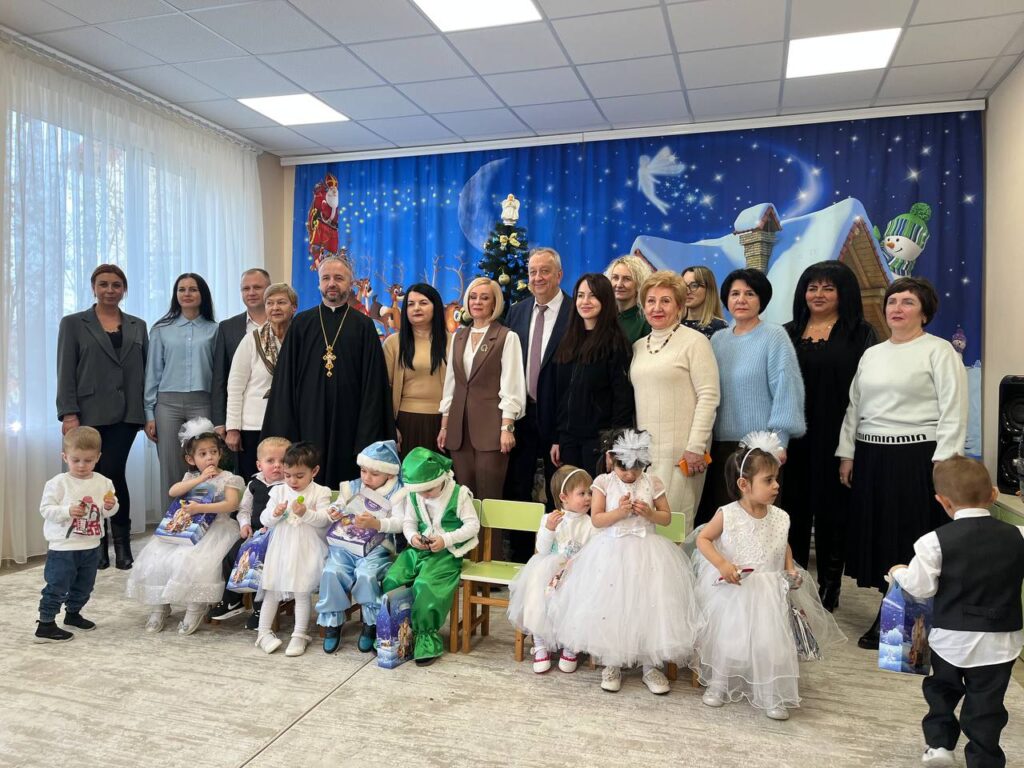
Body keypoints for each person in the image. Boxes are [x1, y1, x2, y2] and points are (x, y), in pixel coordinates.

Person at [838, 276, 968, 649]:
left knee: (909, 536)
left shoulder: (939, 351)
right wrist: (847, 453)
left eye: (908, 302)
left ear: (924, 312)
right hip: (872, 457)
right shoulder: (872, 354)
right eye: (892, 301)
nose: (897, 308)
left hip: (918, 459)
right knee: (880, 536)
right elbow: (855, 407)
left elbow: (954, 409)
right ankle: (890, 608)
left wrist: (944, 462)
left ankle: (902, 624)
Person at [695, 434, 844, 722]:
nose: (776, 485)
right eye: (768, 480)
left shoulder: (781, 517)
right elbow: (703, 539)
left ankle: (771, 692)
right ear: (744, 484)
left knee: (771, 643)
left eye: (777, 479)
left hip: (770, 588)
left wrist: (790, 568)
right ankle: (719, 683)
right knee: (730, 638)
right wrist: (722, 564)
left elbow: (782, 543)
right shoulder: (728, 514)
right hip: (737, 588)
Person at [890, 457, 1024, 768]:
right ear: (993, 494)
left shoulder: (932, 542)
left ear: (943, 501)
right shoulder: (1018, 535)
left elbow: (921, 588)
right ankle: (984, 760)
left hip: (950, 637)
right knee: (987, 705)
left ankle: (939, 745)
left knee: (942, 690)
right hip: (1001, 640)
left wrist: (898, 572)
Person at [547, 429, 703, 696]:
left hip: (648, 553)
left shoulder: (652, 482)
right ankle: (612, 663)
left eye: (637, 468)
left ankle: (650, 666)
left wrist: (650, 513)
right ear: (611, 459)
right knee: (613, 607)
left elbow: (666, 517)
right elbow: (597, 519)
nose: (630, 475)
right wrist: (619, 512)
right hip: (611, 553)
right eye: (624, 468)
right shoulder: (603, 482)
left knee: (649, 606)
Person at [783, 261, 877, 611]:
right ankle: (791, 581)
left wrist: (851, 447)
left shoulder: (860, 334)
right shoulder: (787, 333)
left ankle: (829, 586)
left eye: (828, 288)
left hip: (838, 437)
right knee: (791, 510)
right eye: (812, 288)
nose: (818, 295)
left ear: (843, 293)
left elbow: (865, 393)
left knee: (833, 513)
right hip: (793, 437)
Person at [262, 256, 394, 487]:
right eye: (326, 278)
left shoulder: (364, 326)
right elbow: (285, 381)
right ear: (319, 284)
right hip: (308, 418)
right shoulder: (301, 324)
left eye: (338, 278)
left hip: (350, 420)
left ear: (350, 283)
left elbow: (374, 384)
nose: (332, 283)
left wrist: (368, 431)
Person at [695, 268, 805, 528]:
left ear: (761, 299)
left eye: (749, 293)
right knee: (724, 524)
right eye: (735, 294)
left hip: (761, 449)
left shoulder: (774, 336)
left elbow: (787, 389)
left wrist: (780, 442)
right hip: (720, 448)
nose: (741, 300)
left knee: (759, 523)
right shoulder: (717, 340)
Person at [56, 264, 147, 570]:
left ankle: (122, 545)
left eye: (116, 285)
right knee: (89, 475)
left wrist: (147, 411)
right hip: (87, 413)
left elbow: (145, 371)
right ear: (93, 288)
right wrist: (68, 413)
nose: (110, 290)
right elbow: (65, 370)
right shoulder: (73, 323)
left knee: (113, 473)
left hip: (127, 414)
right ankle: (96, 543)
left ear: (124, 289)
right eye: (104, 284)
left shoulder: (138, 325)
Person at [126, 419, 244, 636]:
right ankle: (160, 606)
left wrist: (201, 508)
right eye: (202, 454)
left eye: (213, 452)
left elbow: (232, 504)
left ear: (220, 454)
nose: (209, 457)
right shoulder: (191, 477)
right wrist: (200, 479)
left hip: (216, 528)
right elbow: (173, 491)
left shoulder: (229, 478)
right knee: (158, 558)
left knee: (193, 561)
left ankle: (195, 607)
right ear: (191, 459)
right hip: (186, 527)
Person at [631, 271, 720, 532]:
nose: (657, 308)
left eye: (666, 301)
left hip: (683, 454)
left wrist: (696, 447)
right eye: (651, 301)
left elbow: (709, 396)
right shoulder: (638, 346)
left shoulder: (695, 342)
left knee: (675, 529)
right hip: (647, 454)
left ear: (680, 306)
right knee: (645, 529)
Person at [382, 448, 480, 666]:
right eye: (420, 491)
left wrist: (446, 539)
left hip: (447, 553)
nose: (424, 495)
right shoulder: (416, 495)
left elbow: (473, 526)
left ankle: (426, 639)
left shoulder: (459, 494)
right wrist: (412, 537)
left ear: (441, 478)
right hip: (419, 550)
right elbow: (409, 522)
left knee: (425, 585)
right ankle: (396, 632)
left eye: (429, 490)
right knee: (393, 578)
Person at [505, 248, 573, 559]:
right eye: (532, 272)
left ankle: (558, 557)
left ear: (559, 275)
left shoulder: (575, 313)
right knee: (518, 486)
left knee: (559, 489)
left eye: (545, 271)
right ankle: (521, 557)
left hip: (560, 417)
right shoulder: (517, 312)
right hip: (522, 415)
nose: (537, 277)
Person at [438, 277, 525, 502]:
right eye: (473, 297)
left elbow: (512, 386)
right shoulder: (458, 337)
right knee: (464, 498)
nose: (477, 302)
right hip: (459, 430)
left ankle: (490, 530)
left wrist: (507, 428)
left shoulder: (507, 337)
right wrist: (444, 426)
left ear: (495, 303)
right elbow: (451, 385)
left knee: (489, 497)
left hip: (491, 431)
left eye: (484, 298)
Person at [317, 440, 406, 655]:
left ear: (389, 474)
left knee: (367, 575)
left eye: (374, 473)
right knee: (332, 571)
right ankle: (333, 622)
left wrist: (377, 523)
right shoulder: (354, 486)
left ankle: (370, 623)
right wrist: (334, 511)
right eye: (363, 471)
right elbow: (338, 505)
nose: (367, 477)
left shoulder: (398, 492)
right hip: (345, 545)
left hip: (377, 548)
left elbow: (401, 523)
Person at [507, 464, 596, 675]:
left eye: (590, 493)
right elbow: (542, 550)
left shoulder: (591, 523)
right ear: (564, 497)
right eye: (582, 493)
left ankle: (570, 645)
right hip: (549, 568)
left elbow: (594, 551)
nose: (588, 498)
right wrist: (549, 529)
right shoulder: (550, 519)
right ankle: (540, 644)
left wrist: (578, 562)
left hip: (577, 569)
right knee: (536, 595)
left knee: (577, 599)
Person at [34, 426, 118, 643]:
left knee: (85, 586)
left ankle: (72, 614)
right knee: (57, 585)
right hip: (63, 547)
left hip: (91, 545)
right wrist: (67, 511)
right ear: (65, 457)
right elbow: (45, 509)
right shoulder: (57, 483)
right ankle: (45, 625)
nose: (82, 465)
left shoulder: (104, 482)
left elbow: (109, 510)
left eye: (88, 460)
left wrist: (110, 506)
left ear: (98, 458)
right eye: (76, 460)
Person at [144, 273, 219, 509]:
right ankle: (171, 521)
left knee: (206, 463)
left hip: (203, 401)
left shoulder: (215, 330)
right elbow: (153, 372)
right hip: (167, 405)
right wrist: (149, 413)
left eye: (193, 289)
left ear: (202, 294)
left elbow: (219, 374)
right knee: (170, 466)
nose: (187, 294)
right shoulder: (161, 330)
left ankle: (202, 518)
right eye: (182, 289)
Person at [550, 273, 635, 476]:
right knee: (571, 495)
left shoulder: (616, 343)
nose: (585, 301)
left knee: (595, 495)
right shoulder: (568, 340)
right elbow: (560, 394)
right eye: (580, 295)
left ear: (605, 299)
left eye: (592, 296)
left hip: (598, 443)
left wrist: (613, 446)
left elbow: (622, 400)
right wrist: (557, 438)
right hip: (568, 440)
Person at [256, 441, 333, 657]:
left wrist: (305, 513)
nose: (292, 481)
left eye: (299, 476)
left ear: (314, 471)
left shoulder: (320, 492)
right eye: (288, 475)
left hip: (307, 549)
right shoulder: (278, 491)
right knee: (272, 590)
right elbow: (264, 519)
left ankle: (299, 634)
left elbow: (325, 520)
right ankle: (263, 633)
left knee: (302, 591)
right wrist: (275, 514)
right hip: (280, 549)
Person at [207, 436, 289, 629]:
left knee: (260, 562)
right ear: (260, 465)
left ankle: (260, 608)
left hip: (278, 536)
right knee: (231, 556)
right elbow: (244, 510)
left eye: (283, 461)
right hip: (254, 533)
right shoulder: (254, 484)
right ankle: (232, 599)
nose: (277, 465)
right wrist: (244, 525)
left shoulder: (289, 486)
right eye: (270, 461)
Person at [225, 282, 297, 481]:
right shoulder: (251, 340)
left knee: (290, 479)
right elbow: (235, 386)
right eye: (270, 303)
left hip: (291, 421)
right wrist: (233, 428)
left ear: (293, 307)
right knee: (255, 481)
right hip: (254, 424)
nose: (275, 308)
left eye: (281, 302)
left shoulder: (302, 338)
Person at [382, 283, 449, 458]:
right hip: (405, 422)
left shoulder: (453, 342)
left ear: (435, 306)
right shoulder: (393, 343)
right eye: (411, 304)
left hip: (443, 424)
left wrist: (448, 425)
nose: (416, 308)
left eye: (423, 303)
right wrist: (391, 427)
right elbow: (383, 389)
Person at [212, 268, 271, 443]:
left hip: (281, 415)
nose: (251, 293)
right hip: (243, 421)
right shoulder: (227, 327)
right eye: (246, 288)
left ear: (269, 289)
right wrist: (220, 421)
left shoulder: (288, 324)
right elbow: (220, 377)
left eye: (257, 287)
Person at [605, 254, 652, 343]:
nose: (619, 284)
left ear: (639, 284)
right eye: (615, 278)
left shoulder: (646, 322)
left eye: (627, 279)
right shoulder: (604, 316)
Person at [680, 265, 728, 339]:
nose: (687, 291)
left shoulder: (719, 327)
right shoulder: (674, 325)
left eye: (694, 285)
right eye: (683, 286)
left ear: (708, 289)